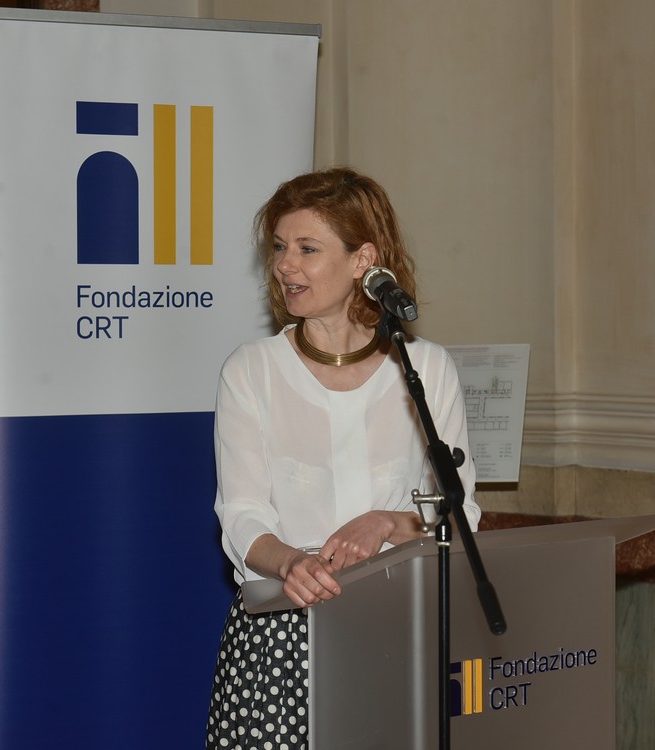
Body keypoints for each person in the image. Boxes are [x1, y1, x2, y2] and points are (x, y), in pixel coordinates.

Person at [206, 167, 481, 749]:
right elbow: (242, 514)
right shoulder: (251, 370)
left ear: (364, 260)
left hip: (398, 626)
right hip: (284, 633)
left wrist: (387, 523)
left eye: (307, 248)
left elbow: (460, 517)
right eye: (279, 247)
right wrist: (290, 563)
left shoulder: (427, 369)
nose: (285, 265)